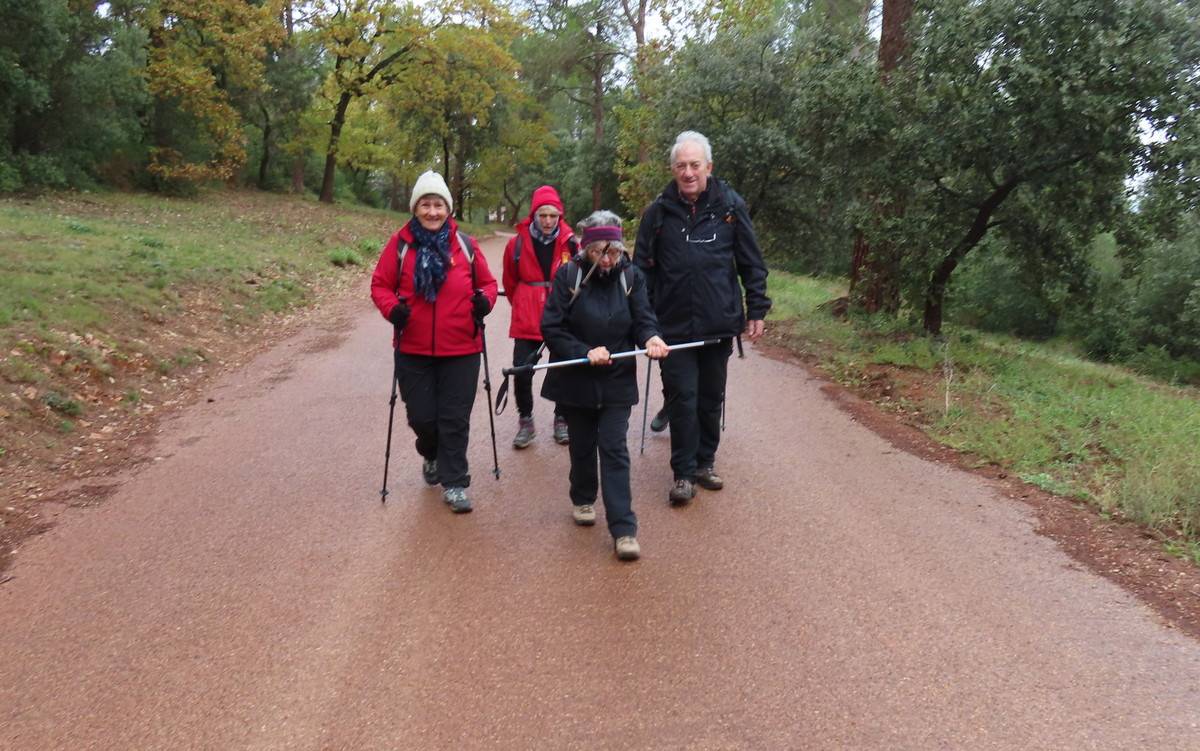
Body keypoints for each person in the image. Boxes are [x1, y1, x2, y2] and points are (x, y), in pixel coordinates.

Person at [633, 131, 771, 505]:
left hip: (717, 323)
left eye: (695, 165)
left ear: (708, 167)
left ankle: (704, 463)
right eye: (682, 165)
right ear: (673, 169)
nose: (688, 172)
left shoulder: (730, 207)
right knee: (683, 398)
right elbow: (639, 271)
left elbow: (750, 260)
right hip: (672, 326)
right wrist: (644, 324)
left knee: (710, 398)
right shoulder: (658, 213)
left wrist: (756, 306)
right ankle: (682, 473)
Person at [540, 210, 668, 561]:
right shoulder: (569, 276)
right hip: (576, 377)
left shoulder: (631, 277)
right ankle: (582, 497)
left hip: (616, 379)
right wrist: (584, 351)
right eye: (600, 252)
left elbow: (643, 318)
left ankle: (624, 529)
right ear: (586, 249)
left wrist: (653, 337)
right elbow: (552, 328)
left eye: (614, 250)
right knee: (582, 446)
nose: (608, 259)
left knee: (614, 449)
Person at [370, 170, 498, 513]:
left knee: (455, 418)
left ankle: (455, 482)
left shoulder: (465, 246)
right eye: (425, 205)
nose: (432, 212)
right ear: (415, 208)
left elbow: (487, 283)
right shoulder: (400, 245)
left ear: (448, 209)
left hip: (462, 347)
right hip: (413, 348)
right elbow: (380, 285)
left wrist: (484, 302)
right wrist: (392, 309)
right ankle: (430, 452)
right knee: (423, 418)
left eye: (438, 205)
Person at [502, 185, 577, 449]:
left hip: (562, 316)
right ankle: (525, 420)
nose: (547, 221)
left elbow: (579, 279)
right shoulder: (517, 243)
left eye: (552, 216)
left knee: (565, 369)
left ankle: (562, 418)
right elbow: (510, 282)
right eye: (542, 215)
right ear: (534, 214)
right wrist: (523, 302)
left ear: (559, 216)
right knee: (522, 371)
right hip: (527, 316)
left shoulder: (571, 242)